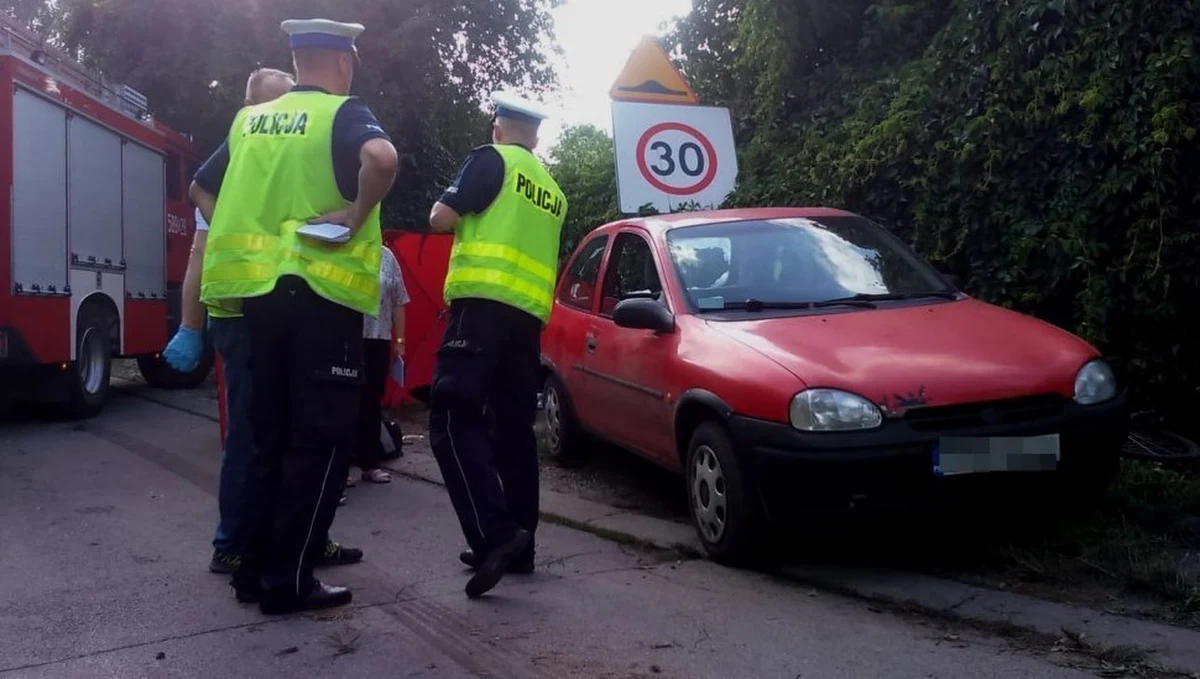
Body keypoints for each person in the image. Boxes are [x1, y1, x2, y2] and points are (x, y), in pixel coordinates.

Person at [192, 18, 398, 615]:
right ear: (343, 63)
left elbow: (205, 189)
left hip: (255, 298)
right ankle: (291, 578)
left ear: (296, 57)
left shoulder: (248, 122)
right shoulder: (340, 112)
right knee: (321, 440)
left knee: (266, 437)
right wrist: (357, 216)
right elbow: (382, 159)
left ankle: (252, 571)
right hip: (318, 296)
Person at [166, 68, 363, 576]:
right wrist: (191, 326)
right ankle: (238, 544)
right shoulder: (252, 132)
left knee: (282, 428)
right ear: (256, 106)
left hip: (267, 297)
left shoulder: (274, 146)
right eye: (283, 96)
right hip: (243, 302)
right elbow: (199, 214)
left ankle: (292, 542)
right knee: (257, 433)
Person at [426, 91, 568, 599]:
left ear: (497, 128)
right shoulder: (553, 190)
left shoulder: (490, 161)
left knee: (449, 418)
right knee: (513, 431)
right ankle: (522, 546)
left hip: (479, 309)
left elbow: (440, 218)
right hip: (527, 322)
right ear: (537, 134)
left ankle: (495, 535)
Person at [348, 245, 409, 487]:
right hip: (348, 337)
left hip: (379, 338)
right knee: (345, 402)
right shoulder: (346, 248)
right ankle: (340, 467)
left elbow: (398, 301)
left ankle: (370, 464)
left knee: (372, 401)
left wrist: (400, 341)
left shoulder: (387, 256)